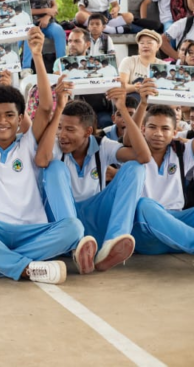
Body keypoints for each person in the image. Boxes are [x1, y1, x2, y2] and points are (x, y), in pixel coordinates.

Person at [0, 26, 83, 285]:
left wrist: (38, 55)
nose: (2, 122)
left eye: (9, 115)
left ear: (20, 119)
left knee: (73, 229)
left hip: (31, 232)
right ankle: (18, 265)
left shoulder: (28, 143)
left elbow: (45, 105)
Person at [36, 82, 150, 273]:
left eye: (70, 130)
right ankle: (74, 243)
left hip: (93, 222)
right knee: (53, 167)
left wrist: (122, 108)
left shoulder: (102, 145)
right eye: (60, 128)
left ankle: (113, 241)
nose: (62, 135)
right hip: (62, 223)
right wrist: (59, 110)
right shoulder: (55, 146)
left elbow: (143, 157)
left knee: (135, 168)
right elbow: (41, 160)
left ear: (88, 132)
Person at [130, 101, 194, 255]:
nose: (158, 133)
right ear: (143, 129)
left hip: (176, 220)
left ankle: (178, 240)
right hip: (145, 230)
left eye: (165, 128)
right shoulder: (130, 152)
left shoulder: (182, 150)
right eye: (152, 127)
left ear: (174, 133)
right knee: (144, 205)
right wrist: (143, 102)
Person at [16, 0, 67, 70]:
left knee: (59, 31)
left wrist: (47, 17)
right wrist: (46, 10)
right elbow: (23, 10)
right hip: (30, 22)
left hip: (47, 23)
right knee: (29, 34)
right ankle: (26, 68)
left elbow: (54, 7)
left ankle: (61, 66)